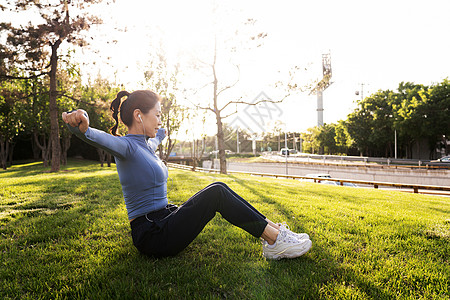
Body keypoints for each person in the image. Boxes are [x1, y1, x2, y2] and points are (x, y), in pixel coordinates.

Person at [62, 90, 312, 259]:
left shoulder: (147, 145)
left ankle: (276, 232)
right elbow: (94, 136)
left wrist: (160, 131)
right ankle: (274, 240)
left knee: (218, 186)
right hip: (151, 234)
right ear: (139, 115)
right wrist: (80, 121)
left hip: (163, 217)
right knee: (215, 194)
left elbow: (157, 137)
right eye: (157, 114)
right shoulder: (125, 146)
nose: (160, 120)